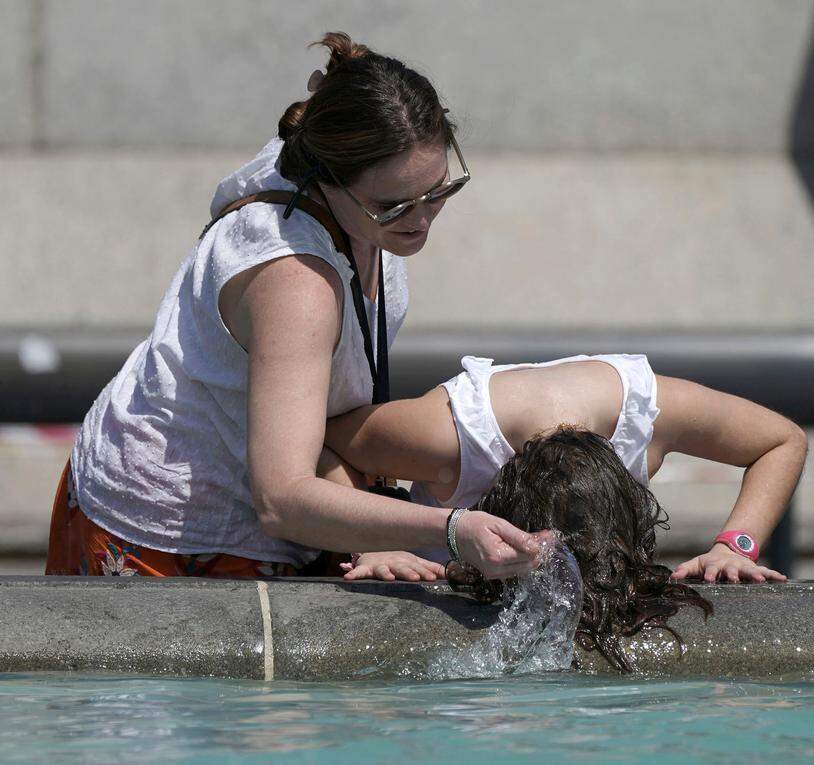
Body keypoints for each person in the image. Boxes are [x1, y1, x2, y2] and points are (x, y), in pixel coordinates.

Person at [44, 32, 544, 579]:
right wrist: (450, 527)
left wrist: (376, 529)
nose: (421, 219)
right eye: (393, 204)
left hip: (266, 489)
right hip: (163, 525)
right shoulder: (296, 283)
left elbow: (319, 423)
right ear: (330, 176)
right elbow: (282, 499)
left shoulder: (340, 190)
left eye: (439, 191)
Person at [323, 354, 808, 585]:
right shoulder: (443, 436)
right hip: (427, 561)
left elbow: (782, 440)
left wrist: (735, 546)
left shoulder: (651, 412)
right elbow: (319, 443)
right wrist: (373, 543)